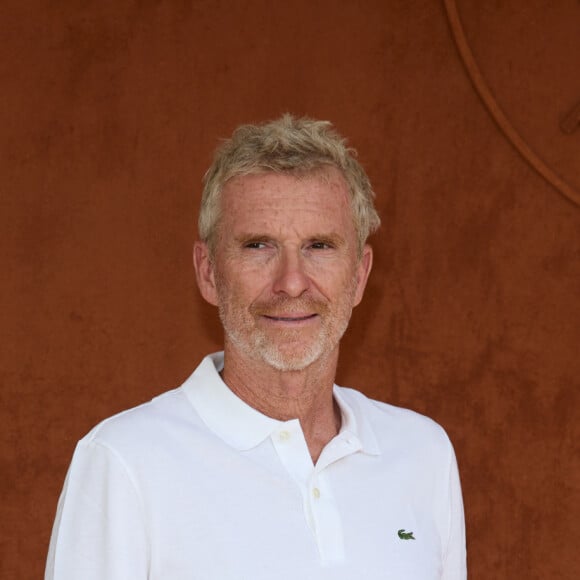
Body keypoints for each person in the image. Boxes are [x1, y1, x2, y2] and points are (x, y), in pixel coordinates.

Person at [46, 115, 466, 580]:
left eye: (320, 246)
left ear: (361, 275)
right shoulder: (123, 462)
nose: (291, 282)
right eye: (258, 245)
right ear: (208, 272)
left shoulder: (422, 454)